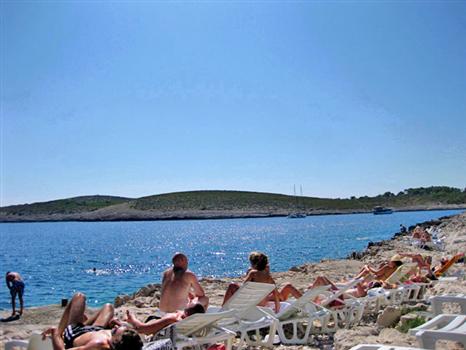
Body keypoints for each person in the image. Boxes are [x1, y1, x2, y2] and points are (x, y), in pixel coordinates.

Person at [42, 292, 143, 350]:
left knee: (79, 297)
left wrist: (55, 333)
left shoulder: (98, 345)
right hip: (96, 330)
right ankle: (83, 322)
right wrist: (117, 324)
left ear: (115, 341)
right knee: (108, 307)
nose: (115, 328)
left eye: (115, 331)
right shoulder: (128, 342)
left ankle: (61, 332)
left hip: (76, 332)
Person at [125, 303, 205, 335]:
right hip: (180, 332)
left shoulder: (172, 319)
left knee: (122, 323)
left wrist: (133, 319)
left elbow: (142, 329)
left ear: (186, 314)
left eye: (185, 309)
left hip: (151, 329)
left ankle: (127, 321)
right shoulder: (195, 322)